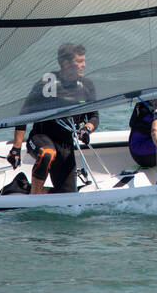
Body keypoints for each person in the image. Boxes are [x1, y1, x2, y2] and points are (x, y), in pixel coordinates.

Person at [7, 43, 98, 195]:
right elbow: (23, 115)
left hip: (65, 145)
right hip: (41, 137)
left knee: (66, 197)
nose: (84, 65)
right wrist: (16, 149)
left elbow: (94, 116)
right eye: (79, 61)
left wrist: (87, 129)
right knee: (47, 153)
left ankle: (22, 187)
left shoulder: (86, 85)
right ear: (66, 63)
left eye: (84, 61)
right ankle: (34, 198)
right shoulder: (47, 83)